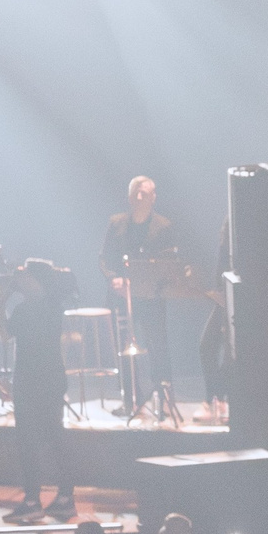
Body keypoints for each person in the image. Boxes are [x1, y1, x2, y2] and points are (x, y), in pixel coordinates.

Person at [0, 258, 76, 519]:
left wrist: (0, 303)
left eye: (25, 275)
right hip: (50, 379)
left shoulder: (30, 309)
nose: (20, 280)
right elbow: (9, 335)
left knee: (29, 442)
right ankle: (65, 498)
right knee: (54, 439)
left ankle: (33, 501)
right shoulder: (52, 307)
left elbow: (5, 335)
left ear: (37, 280)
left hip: (32, 381)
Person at [101, 173, 178, 407]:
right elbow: (104, 258)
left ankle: (163, 396)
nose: (141, 197)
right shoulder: (116, 223)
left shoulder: (163, 226)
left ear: (152, 197)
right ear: (131, 197)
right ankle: (130, 398)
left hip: (151, 297)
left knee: (158, 345)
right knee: (123, 347)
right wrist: (114, 278)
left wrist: (151, 281)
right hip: (122, 296)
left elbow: (169, 262)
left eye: (146, 193)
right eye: (137, 193)